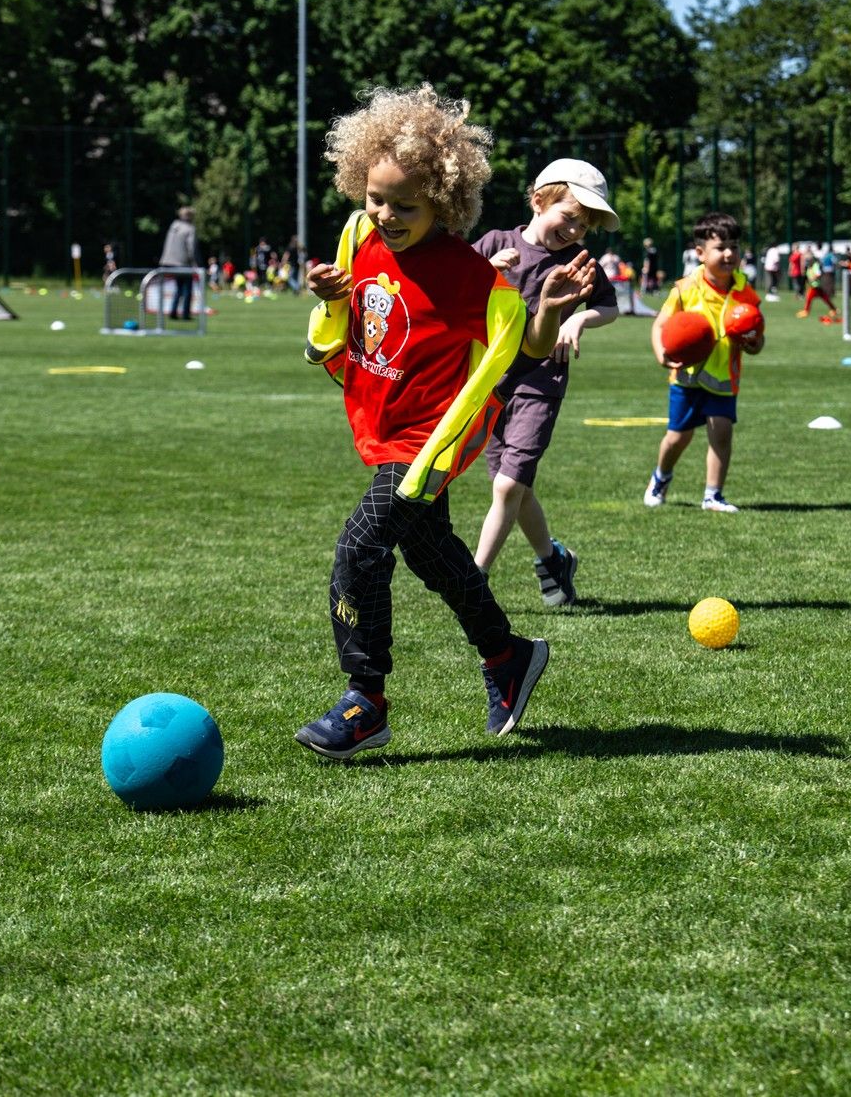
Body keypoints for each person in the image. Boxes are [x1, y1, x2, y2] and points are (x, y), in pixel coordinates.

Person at [293, 84, 595, 760]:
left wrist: (546, 307)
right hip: (379, 426)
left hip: (427, 443)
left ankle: (364, 700)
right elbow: (329, 335)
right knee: (435, 557)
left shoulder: (470, 277)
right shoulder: (357, 236)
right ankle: (508, 655)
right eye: (376, 198)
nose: (386, 215)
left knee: (360, 549)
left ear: (445, 201)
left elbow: (524, 346)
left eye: (406, 205)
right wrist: (326, 297)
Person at [470, 158, 621, 604]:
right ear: (539, 201)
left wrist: (580, 322)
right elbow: (455, 289)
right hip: (493, 381)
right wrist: (487, 269)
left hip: (541, 382)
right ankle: (553, 559)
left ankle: (475, 579)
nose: (575, 232)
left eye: (584, 227)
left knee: (508, 486)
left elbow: (609, 307)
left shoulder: (579, 263)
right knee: (515, 485)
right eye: (570, 218)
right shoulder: (496, 243)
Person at [644, 212, 765, 512]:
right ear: (700, 253)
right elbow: (660, 325)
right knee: (678, 437)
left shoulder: (745, 292)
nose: (729, 254)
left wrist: (752, 343)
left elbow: (758, 339)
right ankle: (661, 476)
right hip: (687, 377)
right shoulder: (685, 289)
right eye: (721, 247)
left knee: (721, 432)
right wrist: (662, 354)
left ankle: (713, 495)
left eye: (734, 247)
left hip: (724, 377)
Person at [159, 206, 200, 321]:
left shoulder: (174, 226)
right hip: (182, 263)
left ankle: (173, 311)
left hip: (167, 261)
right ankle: (186, 314)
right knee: (187, 289)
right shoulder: (190, 229)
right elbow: (191, 248)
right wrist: (194, 263)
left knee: (179, 288)